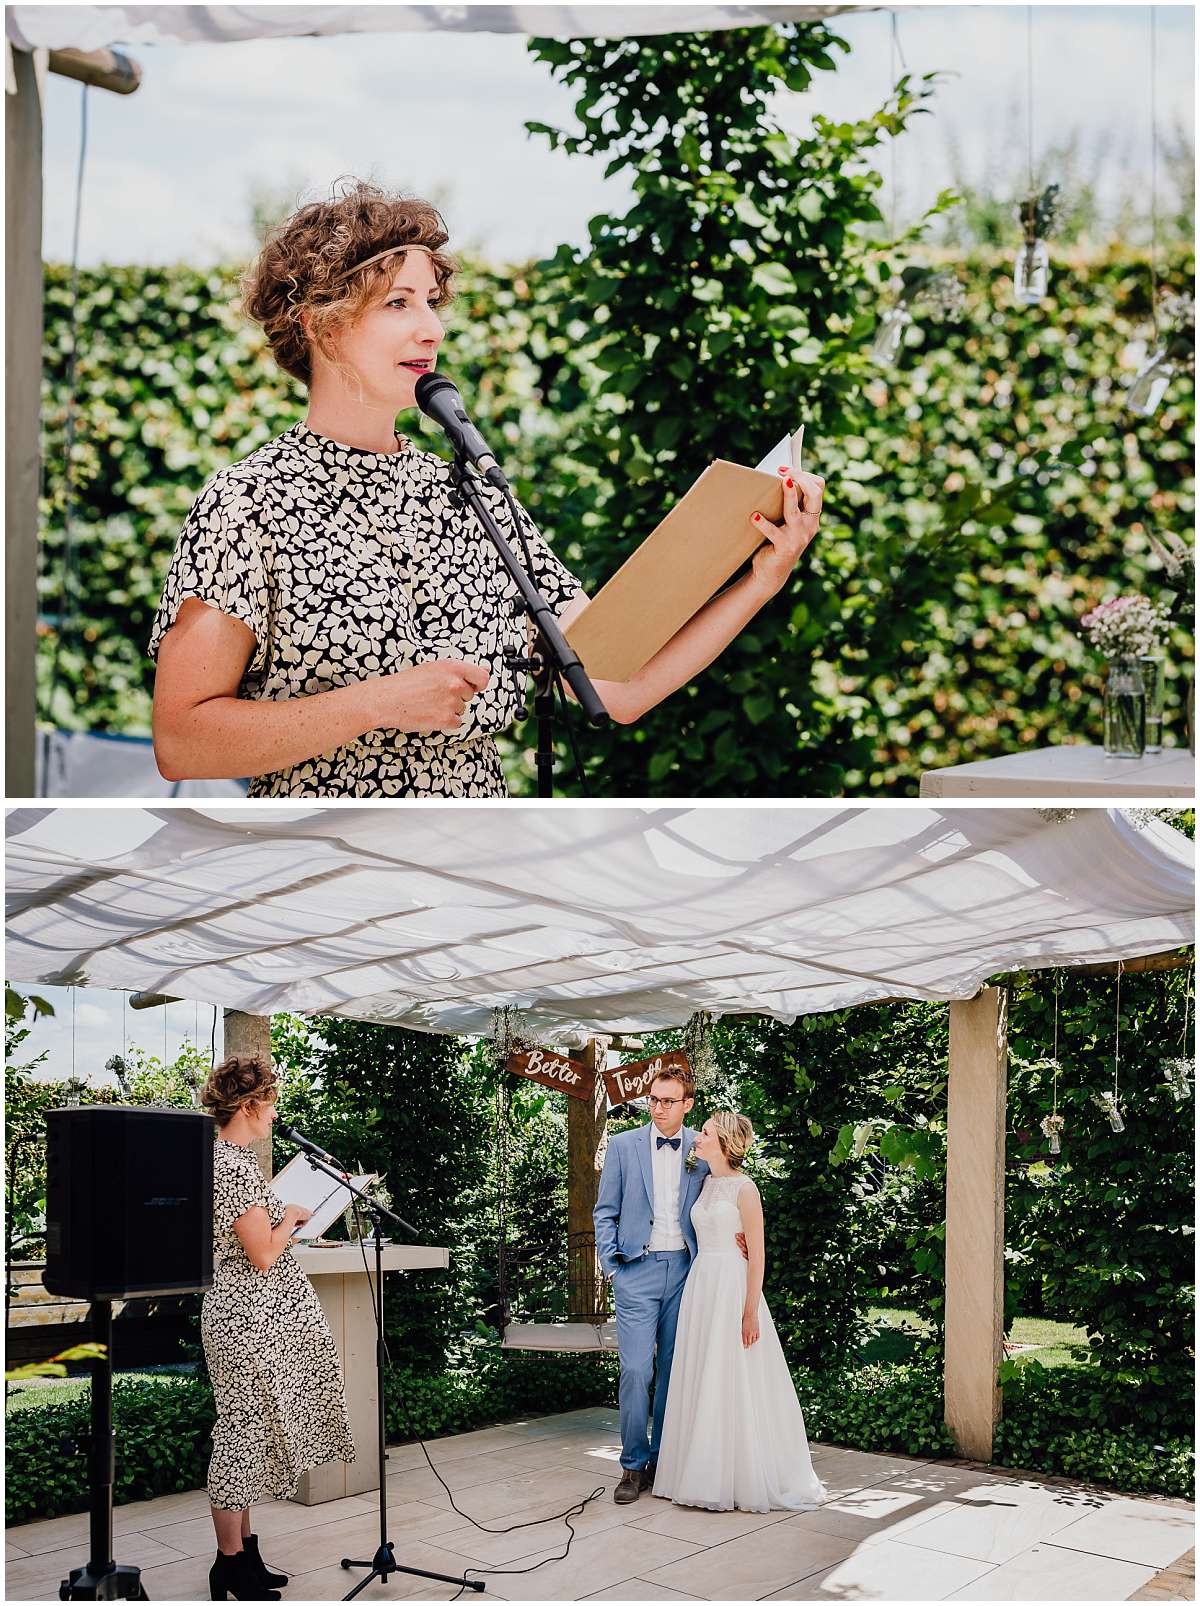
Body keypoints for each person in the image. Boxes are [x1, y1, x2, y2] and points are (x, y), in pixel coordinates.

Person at [149, 177, 826, 797]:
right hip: (323, 881)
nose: (432, 327)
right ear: (319, 324)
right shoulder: (249, 502)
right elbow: (181, 742)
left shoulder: (472, 493)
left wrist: (760, 579)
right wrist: (376, 703)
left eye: (433, 303)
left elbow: (614, 685)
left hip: (481, 878)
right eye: (398, 303)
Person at [199, 1055, 355, 1601]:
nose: (274, 1112)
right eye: (270, 1101)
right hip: (245, 1317)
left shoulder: (229, 1159)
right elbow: (262, 1254)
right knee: (239, 1435)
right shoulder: (233, 1166)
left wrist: (283, 1219)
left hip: (254, 1315)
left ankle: (246, 1553)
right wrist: (290, 1216)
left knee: (250, 1432)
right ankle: (228, 1564)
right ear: (249, 1104)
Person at [652, 1111, 827, 1513]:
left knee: (733, 1374)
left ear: (725, 1142)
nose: (698, 1136)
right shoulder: (704, 1181)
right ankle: (694, 1470)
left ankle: (737, 1475)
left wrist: (750, 1310)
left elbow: (757, 1253)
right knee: (701, 1371)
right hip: (702, 1284)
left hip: (732, 1284)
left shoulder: (745, 1189)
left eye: (706, 1132)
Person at [593, 1065, 710, 1504]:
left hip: (686, 1271)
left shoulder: (703, 1146)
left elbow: (725, 1195)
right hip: (635, 1272)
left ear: (687, 1104)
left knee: (673, 1373)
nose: (657, 1108)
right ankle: (632, 1464)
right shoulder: (624, 1146)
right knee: (637, 1369)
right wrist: (612, 1268)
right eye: (653, 1100)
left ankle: (663, 1459)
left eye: (667, 1101)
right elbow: (604, 1211)